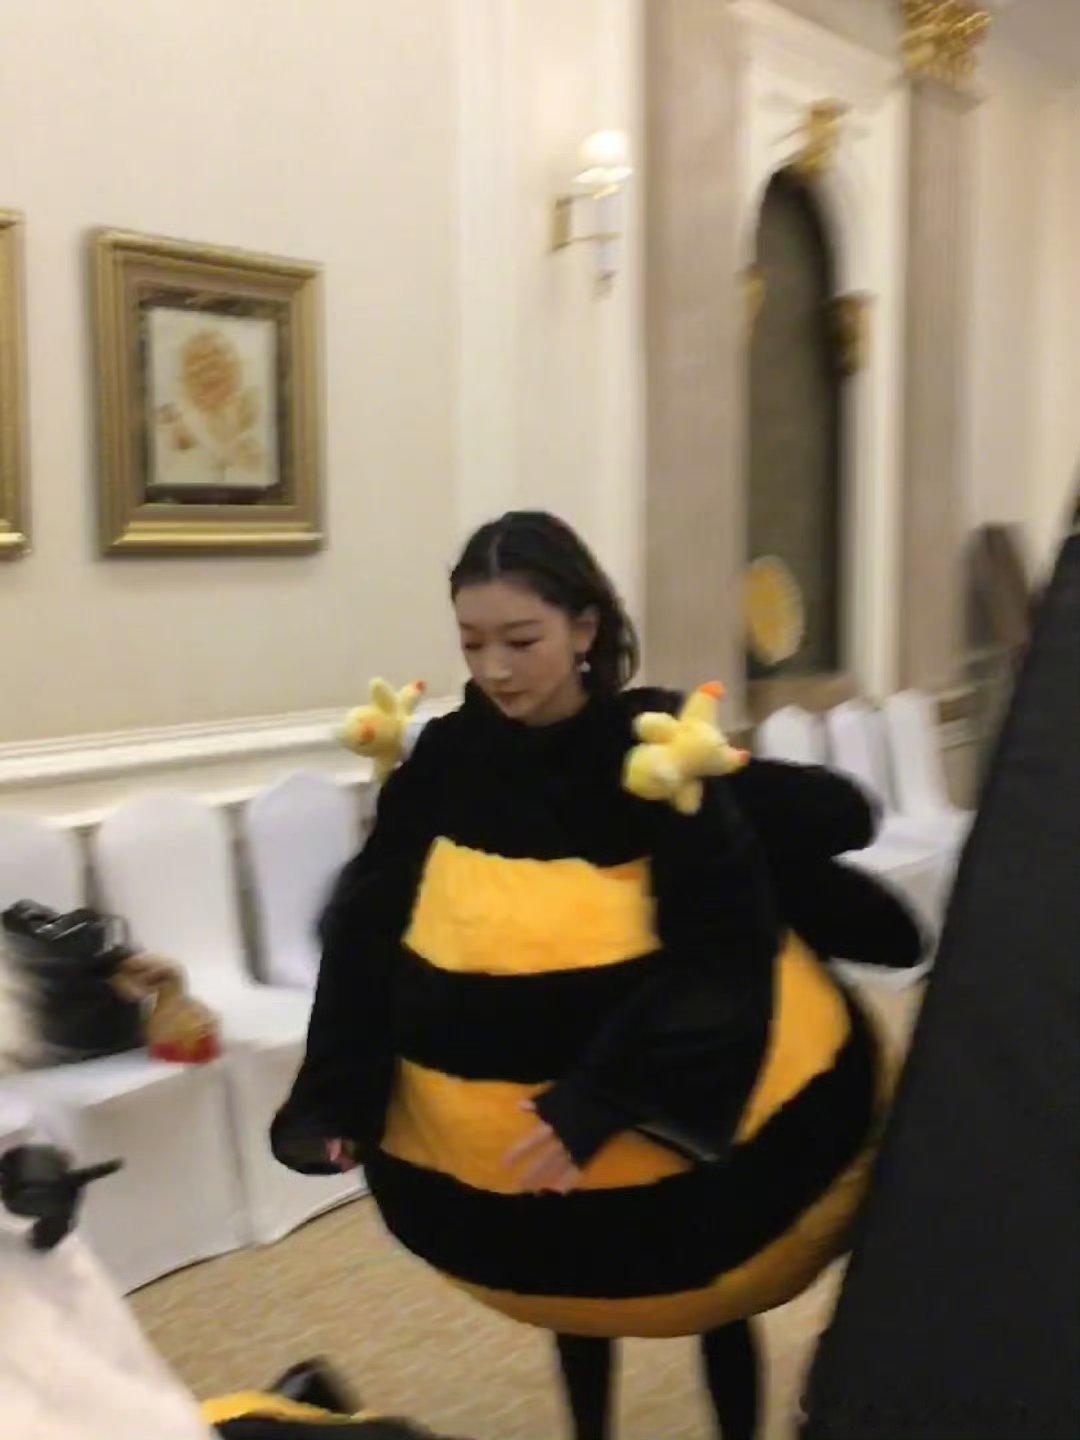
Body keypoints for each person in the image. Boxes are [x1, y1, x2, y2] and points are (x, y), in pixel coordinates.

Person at [272, 512, 923, 1440]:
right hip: (511, 1124)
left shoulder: (648, 749)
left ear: (583, 627)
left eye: (520, 640)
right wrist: (338, 1093)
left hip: (653, 1091)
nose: (495, 669)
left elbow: (724, 936)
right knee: (571, 1291)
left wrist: (603, 1099)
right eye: (472, 643)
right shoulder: (452, 757)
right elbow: (369, 923)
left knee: (715, 1287)